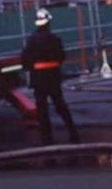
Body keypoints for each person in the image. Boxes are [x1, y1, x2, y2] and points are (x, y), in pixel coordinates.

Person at [21, 8, 80, 144]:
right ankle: (73, 132)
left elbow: (25, 60)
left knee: (42, 110)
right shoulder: (55, 39)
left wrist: (33, 68)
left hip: (38, 79)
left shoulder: (31, 40)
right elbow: (61, 57)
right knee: (60, 105)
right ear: (48, 23)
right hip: (53, 77)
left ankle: (47, 139)